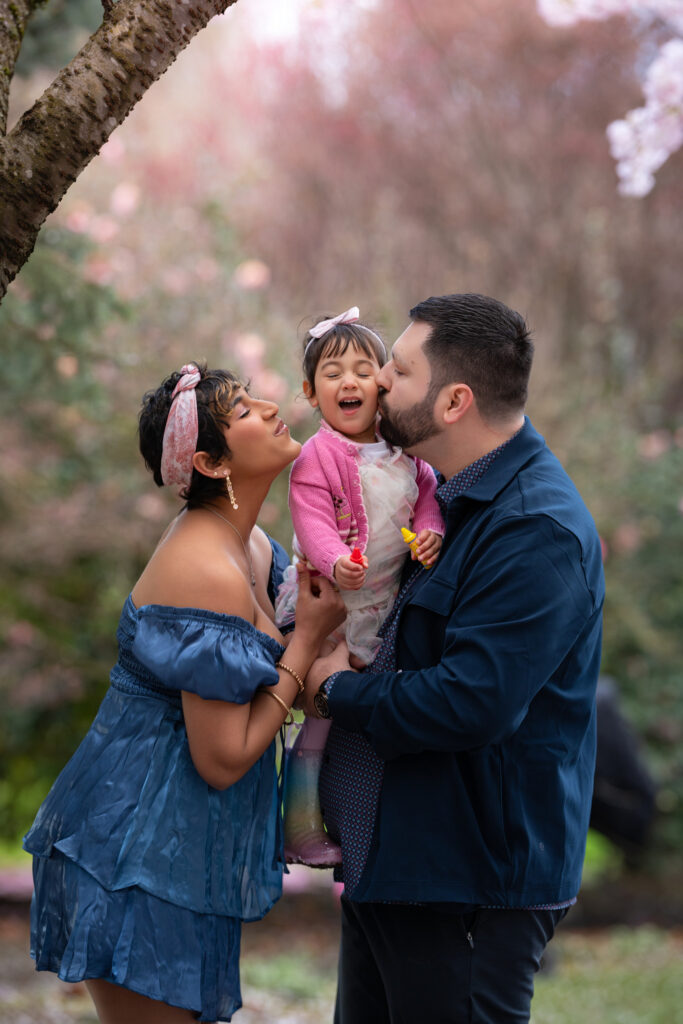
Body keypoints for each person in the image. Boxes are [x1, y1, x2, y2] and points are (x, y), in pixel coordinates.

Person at [303, 294, 605, 1024]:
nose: (376, 385)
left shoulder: (533, 527)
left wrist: (333, 691)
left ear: (454, 401)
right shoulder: (441, 504)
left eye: (397, 372)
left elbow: (470, 701)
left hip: (465, 880)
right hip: (393, 865)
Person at [23, 363, 345, 1024]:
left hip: (176, 851)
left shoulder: (251, 545)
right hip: (130, 852)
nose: (268, 404)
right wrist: (308, 643)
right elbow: (222, 758)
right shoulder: (205, 569)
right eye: (243, 411)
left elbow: (289, 682)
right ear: (210, 460)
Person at [274, 307, 443, 866]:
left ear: (382, 383)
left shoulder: (406, 455)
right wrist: (333, 559)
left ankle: (354, 821)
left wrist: (429, 535)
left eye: (363, 369)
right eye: (332, 372)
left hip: (380, 609)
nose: (349, 381)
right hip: (329, 604)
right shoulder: (316, 457)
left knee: (360, 721)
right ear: (310, 392)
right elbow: (311, 519)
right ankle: (296, 825)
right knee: (322, 716)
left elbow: (426, 501)